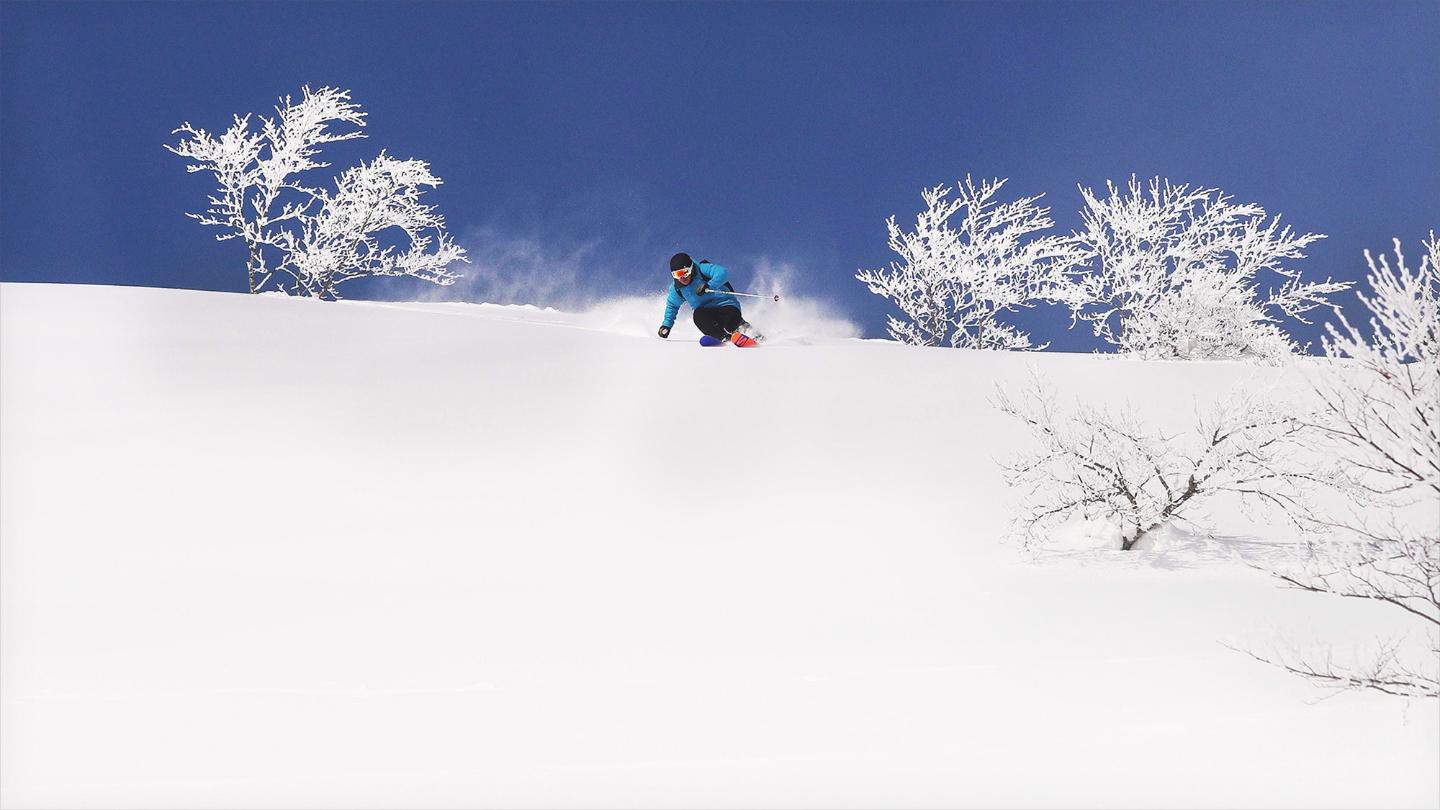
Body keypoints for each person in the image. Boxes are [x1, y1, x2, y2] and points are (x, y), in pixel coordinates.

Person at [656, 252, 762, 346]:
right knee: (698, 316)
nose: (682, 278)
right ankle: (723, 337)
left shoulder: (702, 270)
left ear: (691, 268)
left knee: (730, 322)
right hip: (707, 312)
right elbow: (672, 306)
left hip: (725, 305)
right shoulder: (677, 289)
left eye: (684, 272)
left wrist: (709, 285)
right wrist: (666, 325)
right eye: (677, 274)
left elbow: (722, 272)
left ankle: (749, 332)